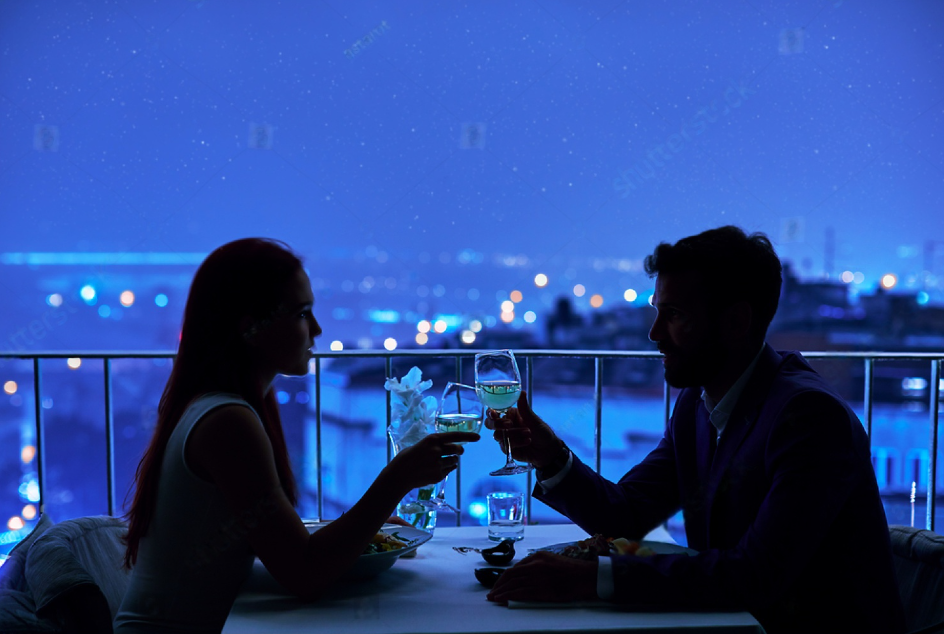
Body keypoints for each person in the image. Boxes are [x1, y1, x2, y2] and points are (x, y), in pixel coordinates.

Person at [485, 226, 905, 634]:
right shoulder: (697, 404)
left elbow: (756, 574)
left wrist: (590, 579)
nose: (654, 335)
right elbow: (627, 514)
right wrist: (549, 455)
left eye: (674, 315)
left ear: (737, 321)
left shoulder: (809, 418)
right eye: (657, 313)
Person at [114, 238, 477, 633]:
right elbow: (304, 573)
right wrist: (397, 479)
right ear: (249, 326)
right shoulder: (228, 422)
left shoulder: (221, 406)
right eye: (302, 313)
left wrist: (365, 525)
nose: (317, 329)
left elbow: (287, 550)